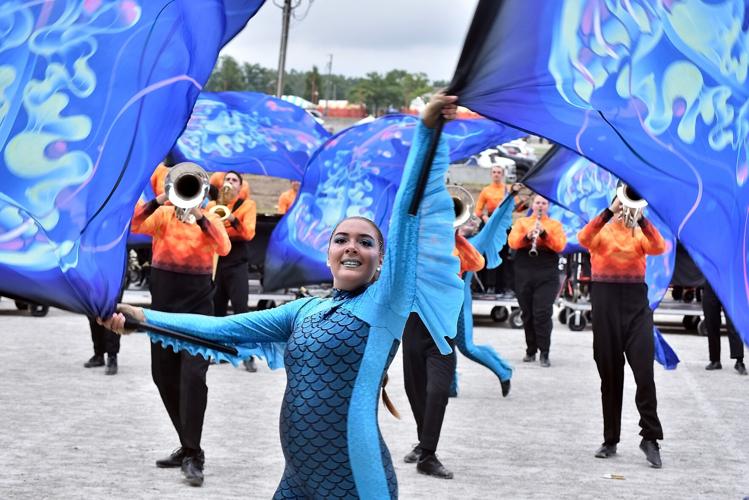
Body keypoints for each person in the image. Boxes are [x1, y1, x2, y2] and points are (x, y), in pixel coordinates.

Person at [100, 94, 463, 498]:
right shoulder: (303, 311)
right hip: (296, 480)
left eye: (366, 242)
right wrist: (142, 318)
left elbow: (408, 217)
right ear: (328, 256)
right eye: (341, 239)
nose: (351, 247)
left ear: (381, 262)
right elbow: (220, 329)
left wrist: (428, 132)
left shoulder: (385, 304)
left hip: (356, 481)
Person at [130, 173, 230, 486]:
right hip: (162, 311)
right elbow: (133, 224)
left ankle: (193, 456)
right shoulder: (161, 217)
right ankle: (189, 446)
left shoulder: (210, 218)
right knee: (164, 378)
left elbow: (224, 247)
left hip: (199, 312)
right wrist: (162, 198)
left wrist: (199, 214)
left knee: (193, 378)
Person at [578, 194, 666, 468]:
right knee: (611, 378)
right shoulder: (601, 230)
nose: (624, 209)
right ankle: (610, 439)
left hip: (636, 307)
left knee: (644, 374)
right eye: (622, 204)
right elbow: (583, 238)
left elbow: (658, 246)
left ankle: (650, 438)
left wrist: (642, 218)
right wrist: (609, 211)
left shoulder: (639, 232)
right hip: (606, 305)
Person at [401, 229, 484, 479]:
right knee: (415, 390)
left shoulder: (456, 249)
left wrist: (457, 237)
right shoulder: (414, 246)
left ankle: (427, 454)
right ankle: (422, 441)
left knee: (438, 391)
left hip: (443, 331)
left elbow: (478, 263)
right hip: (413, 326)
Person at [207, 171, 258, 372]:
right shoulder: (212, 206)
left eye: (234, 180)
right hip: (217, 262)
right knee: (217, 310)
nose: (229, 182)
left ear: (240, 186)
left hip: (237, 263)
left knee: (241, 310)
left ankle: (248, 355)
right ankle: (219, 353)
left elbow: (248, 233)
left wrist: (232, 218)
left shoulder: (248, 205)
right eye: (227, 179)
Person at [507, 194, 566, 367]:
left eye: (544, 203)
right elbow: (512, 242)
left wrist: (545, 235)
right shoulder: (522, 223)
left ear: (548, 206)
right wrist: (527, 237)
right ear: (532, 204)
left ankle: (544, 352)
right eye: (538, 202)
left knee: (542, 313)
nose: (540, 205)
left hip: (547, 271)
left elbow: (560, 246)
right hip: (524, 269)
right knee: (528, 313)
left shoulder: (554, 225)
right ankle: (531, 350)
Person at [703, 281, 747, 375]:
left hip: (729, 283)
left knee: (734, 324)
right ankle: (715, 360)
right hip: (711, 283)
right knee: (711, 323)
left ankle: (739, 361)